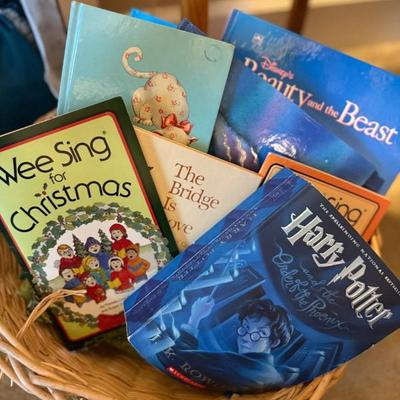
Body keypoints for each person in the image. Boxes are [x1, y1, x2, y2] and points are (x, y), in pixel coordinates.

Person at [158, 297, 294, 392]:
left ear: (273, 341)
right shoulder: (274, 376)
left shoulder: (236, 364)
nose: (246, 336)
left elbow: (174, 356)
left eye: (260, 332)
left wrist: (195, 318)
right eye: (246, 326)